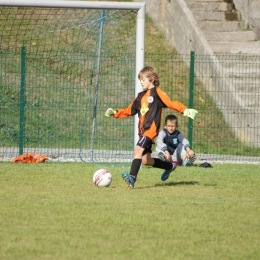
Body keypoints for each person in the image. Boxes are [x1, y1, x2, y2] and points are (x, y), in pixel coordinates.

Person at [105, 66, 198, 188]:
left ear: (152, 79)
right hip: (142, 132)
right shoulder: (139, 96)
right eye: (140, 80)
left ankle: (132, 179)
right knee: (146, 160)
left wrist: (185, 110)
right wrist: (115, 113)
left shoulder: (157, 93)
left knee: (137, 150)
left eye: (143, 79)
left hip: (151, 130)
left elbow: (170, 102)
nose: (141, 82)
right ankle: (170, 166)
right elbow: (129, 110)